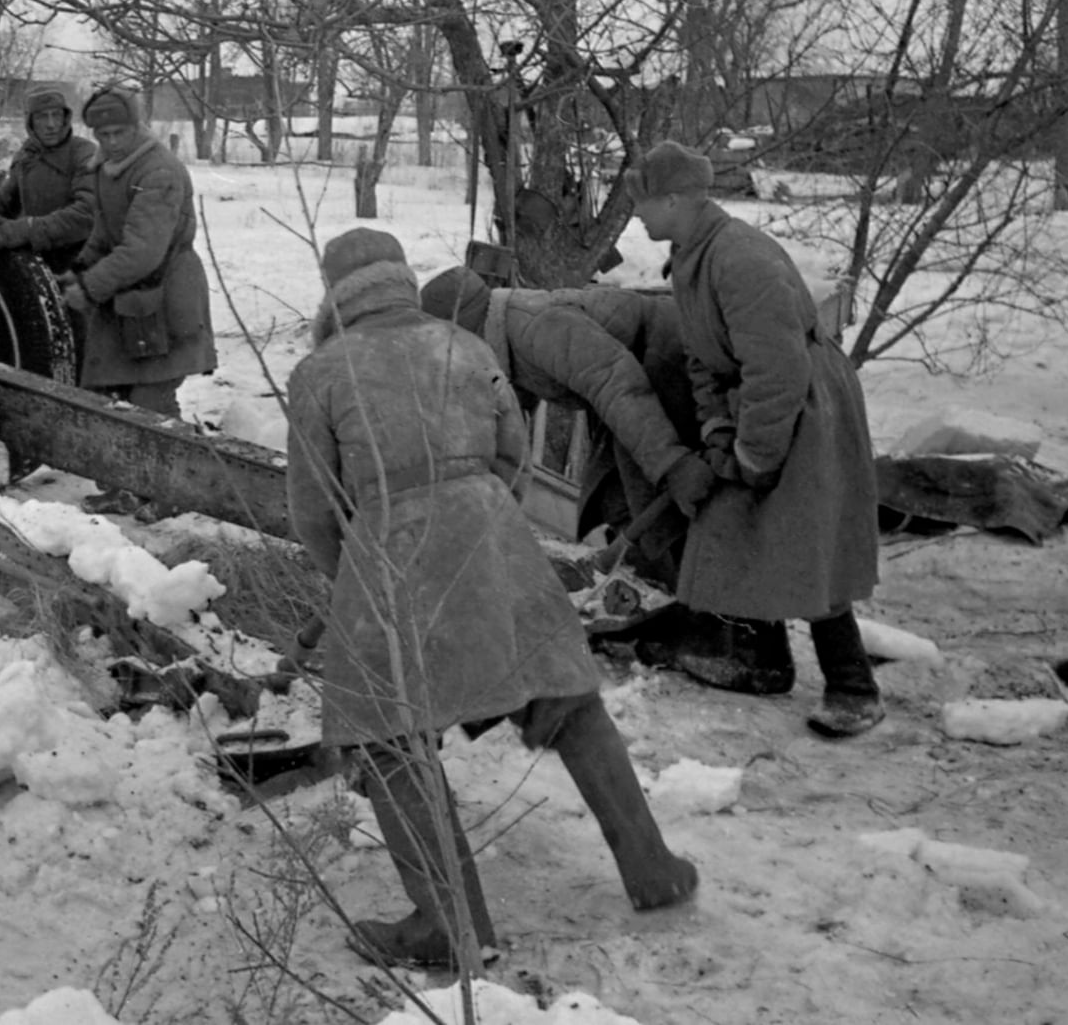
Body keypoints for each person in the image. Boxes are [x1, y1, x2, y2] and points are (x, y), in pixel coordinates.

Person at [286, 227, 698, 971]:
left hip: (387, 549)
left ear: (333, 292)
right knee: (565, 696)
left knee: (387, 736)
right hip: (492, 531)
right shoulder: (464, 347)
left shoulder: (319, 373)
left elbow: (314, 509)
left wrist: (350, 572)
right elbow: (514, 456)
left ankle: (451, 925)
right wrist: (483, 515)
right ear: (401, 279)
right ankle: (652, 868)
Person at [630, 141, 885, 737]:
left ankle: (854, 686)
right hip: (759, 399)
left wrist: (754, 452)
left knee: (802, 534)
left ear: (674, 198)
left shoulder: (738, 257)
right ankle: (763, 660)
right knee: (734, 520)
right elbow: (702, 362)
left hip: (802, 403)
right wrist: (719, 430)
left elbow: (777, 369)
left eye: (642, 201)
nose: (636, 215)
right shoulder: (693, 255)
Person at [418, 267, 707, 588]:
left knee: (654, 508)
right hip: (632, 390)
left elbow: (618, 384)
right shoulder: (502, 342)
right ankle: (649, 590)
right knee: (614, 502)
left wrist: (671, 463)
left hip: (667, 362)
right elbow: (503, 428)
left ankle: (685, 605)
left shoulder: (537, 327)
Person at [66, 86, 217, 514]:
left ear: (137, 126)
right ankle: (127, 487)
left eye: (119, 131)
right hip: (130, 300)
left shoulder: (158, 172)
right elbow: (105, 231)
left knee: (153, 400)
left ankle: (175, 492)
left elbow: (142, 251)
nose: (111, 141)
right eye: (103, 133)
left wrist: (92, 286)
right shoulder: (106, 168)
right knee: (119, 397)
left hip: (167, 296)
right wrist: (80, 268)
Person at [0, 85, 98, 274]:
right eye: (42, 116)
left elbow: (87, 213)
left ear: (66, 118)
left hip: (80, 267)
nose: (51, 124)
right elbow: (5, 199)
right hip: (41, 263)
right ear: (30, 122)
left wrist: (28, 230)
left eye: (56, 115)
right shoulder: (27, 154)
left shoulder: (84, 153)